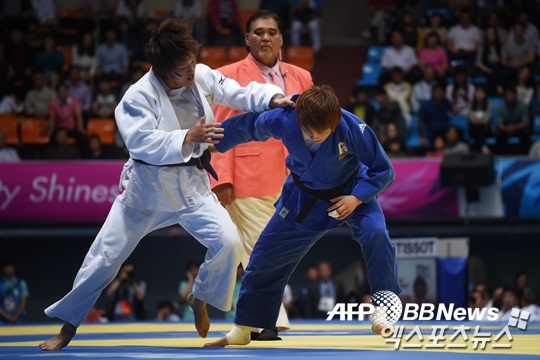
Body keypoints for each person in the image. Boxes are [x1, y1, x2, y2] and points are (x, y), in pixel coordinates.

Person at [39, 18, 291, 351]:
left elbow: (236, 91)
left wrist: (272, 99)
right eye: (183, 69)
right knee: (104, 258)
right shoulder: (137, 97)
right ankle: (67, 328)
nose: (191, 72)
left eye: (192, 63)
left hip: (192, 187)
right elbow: (141, 143)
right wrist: (188, 136)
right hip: (146, 192)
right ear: (160, 68)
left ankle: (198, 296)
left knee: (229, 242)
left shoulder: (198, 74)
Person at [204, 85, 401, 347]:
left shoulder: (353, 128)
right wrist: (214, 143)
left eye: (322, 133)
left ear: (335, 122)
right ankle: (245, 326)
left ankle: (384, 312)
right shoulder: (286, 118)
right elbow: (248, 125)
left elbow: (383, 170)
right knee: (265, 254)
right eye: (309, 131)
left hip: (352, 192)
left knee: (377, 235)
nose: (315, 136)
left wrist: (356, 198)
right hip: (305, 197)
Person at [210, 10, 313, 339]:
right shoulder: (227, 75)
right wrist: (221, 178)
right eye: (258, 32)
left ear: (282, 38)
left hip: (293, 177)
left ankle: (254, 318)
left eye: (271, 32)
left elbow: (313, 129)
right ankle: (269, 319)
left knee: (265, 249)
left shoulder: (302, 77)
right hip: (247, 177)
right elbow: (221, 129)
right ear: (247, 39)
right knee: (260, 247)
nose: (265, 37)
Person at [0, 257, 29, 323]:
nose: (8, 269)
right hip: (2, 321)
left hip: (19, 320)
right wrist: (8, 317)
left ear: (13, 268)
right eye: (6, 267)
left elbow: (23, 302)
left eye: (10, 267)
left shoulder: (21, 283)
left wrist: (15, 316)